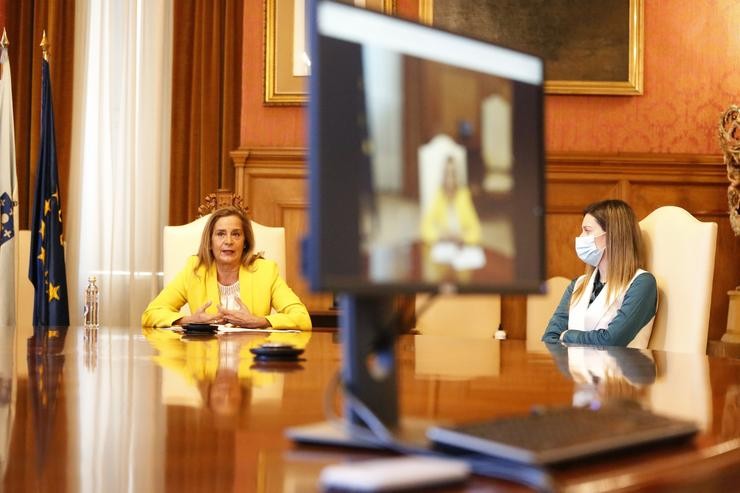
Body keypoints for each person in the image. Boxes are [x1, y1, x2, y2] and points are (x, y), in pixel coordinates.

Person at [142, 206, 312, 330]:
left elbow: (302, 318)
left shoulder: (266, 271)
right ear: (210, 241)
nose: (228, 241)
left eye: (236, 234)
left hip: (249, 362)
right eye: (221, 234)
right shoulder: (195, 270)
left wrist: (259, 321)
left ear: (245, 242)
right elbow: (152, 313)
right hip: (204, 361)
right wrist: (189, 320)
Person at [542, 199, 657, 347]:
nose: (581, 237)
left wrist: (567, 335)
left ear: (612, 236)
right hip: (575, 369)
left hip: (619, 369)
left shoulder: (642, 283)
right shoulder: (578, 284)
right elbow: (549, 337)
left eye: (587, 230)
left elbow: (610, 340)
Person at [420, 156, 482, 245]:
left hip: (461, 246)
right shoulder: (439, 195)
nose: (450, 179)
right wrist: (440, 235)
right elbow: (425, 229)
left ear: (457, 176)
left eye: (453, 174)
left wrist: (462, 236)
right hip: (443, 246)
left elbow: (477, 232)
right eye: (446, 174)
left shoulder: (464, 195)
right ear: (442, 176)